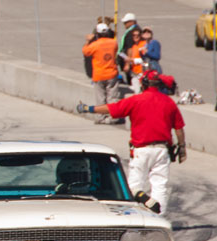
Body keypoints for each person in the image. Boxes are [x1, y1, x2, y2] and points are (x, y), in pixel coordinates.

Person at [77, 71, 186, 215]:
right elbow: (179, 129)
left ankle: (139, 207)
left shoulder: (136, 100)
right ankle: (159, 217)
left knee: (133, 187)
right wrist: (182, 148)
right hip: (162, 150)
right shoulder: (168, 102)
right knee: (160, 186)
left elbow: (111, 109)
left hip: (141, 150)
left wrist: (88, 108)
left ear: (143, 84)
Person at [83, 23, 121, 124]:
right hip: (112, 73)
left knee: (100, 98)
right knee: (112, 97)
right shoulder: (114, 43)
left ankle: (101, 117)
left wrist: (88, 41)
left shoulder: (95, 45)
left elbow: (86, 52)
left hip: (99, 75)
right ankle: (113, 116)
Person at [117, 12, 140, 82]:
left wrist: (128, 63)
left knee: (131, 79)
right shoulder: (131, 30)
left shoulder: (133, 32)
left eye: (126, 22)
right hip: (126, 57)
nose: (124, 24)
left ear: (132, 22)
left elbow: (130, 48)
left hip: (129, 60)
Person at [123, 28, 147, 93]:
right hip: (134, 73)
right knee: (137, 93)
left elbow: (145, 60)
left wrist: (132, 59)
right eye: (134, 35)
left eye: (138, 35)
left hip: (143, 72)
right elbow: (130, 58)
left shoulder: (144, 44)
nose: (136, 37)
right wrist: (127, 64)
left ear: (141, 35)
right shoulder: (133, 46)